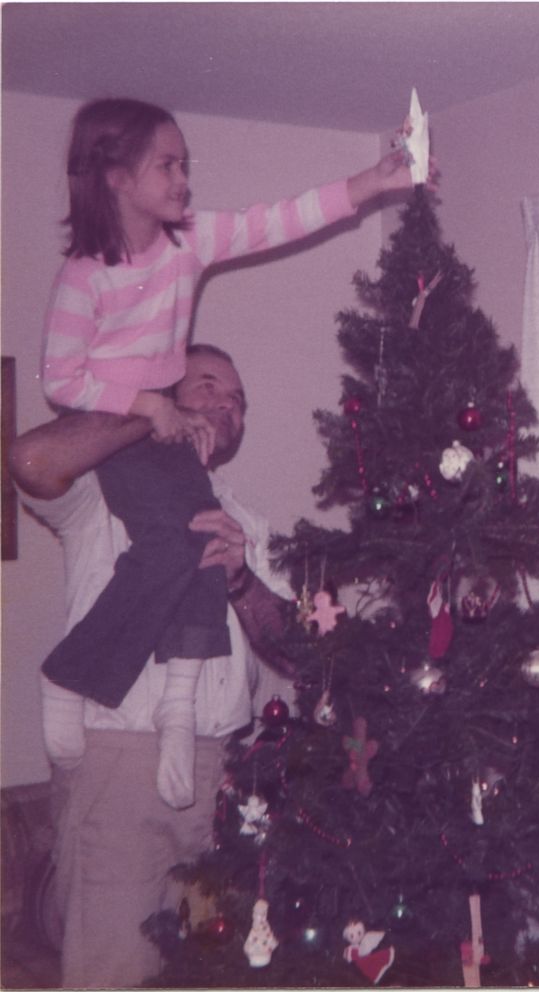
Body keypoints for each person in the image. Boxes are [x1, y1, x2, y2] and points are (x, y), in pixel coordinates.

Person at [37, 97, 422, 811]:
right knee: (165, 547)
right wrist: (149, 403)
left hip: (165, 441)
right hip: (120, 431)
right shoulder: (84, 276)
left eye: (186, 164)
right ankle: (69, 674)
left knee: (201, 546)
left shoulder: (190, 242)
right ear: (116, 177)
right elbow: (60, 379)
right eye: (168, 164)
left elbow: (274, 220)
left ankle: (178, 708)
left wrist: (369, 184)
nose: (184, 178)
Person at [10, 344, 307, 988]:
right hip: (124, 761)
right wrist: (149, 416)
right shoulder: (109, 488)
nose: (225, 407)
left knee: (203, 972)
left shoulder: (247, 517)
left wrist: (241, 578)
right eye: (207, 387)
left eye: (237, 402)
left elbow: (292, 650)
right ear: (169, 390)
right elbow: (29, 459)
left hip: (221, 771)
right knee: (115, 972)